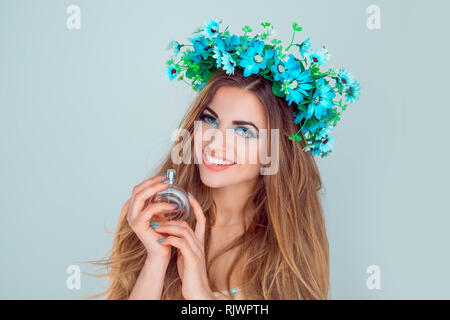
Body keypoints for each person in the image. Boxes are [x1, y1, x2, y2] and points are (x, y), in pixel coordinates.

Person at [87, 18, 360, 300]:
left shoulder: (292, 244)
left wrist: (200, 295)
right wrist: (156, 260)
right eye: (210, 119)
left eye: (243, 131)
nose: (215, 141)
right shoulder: (151, 215)